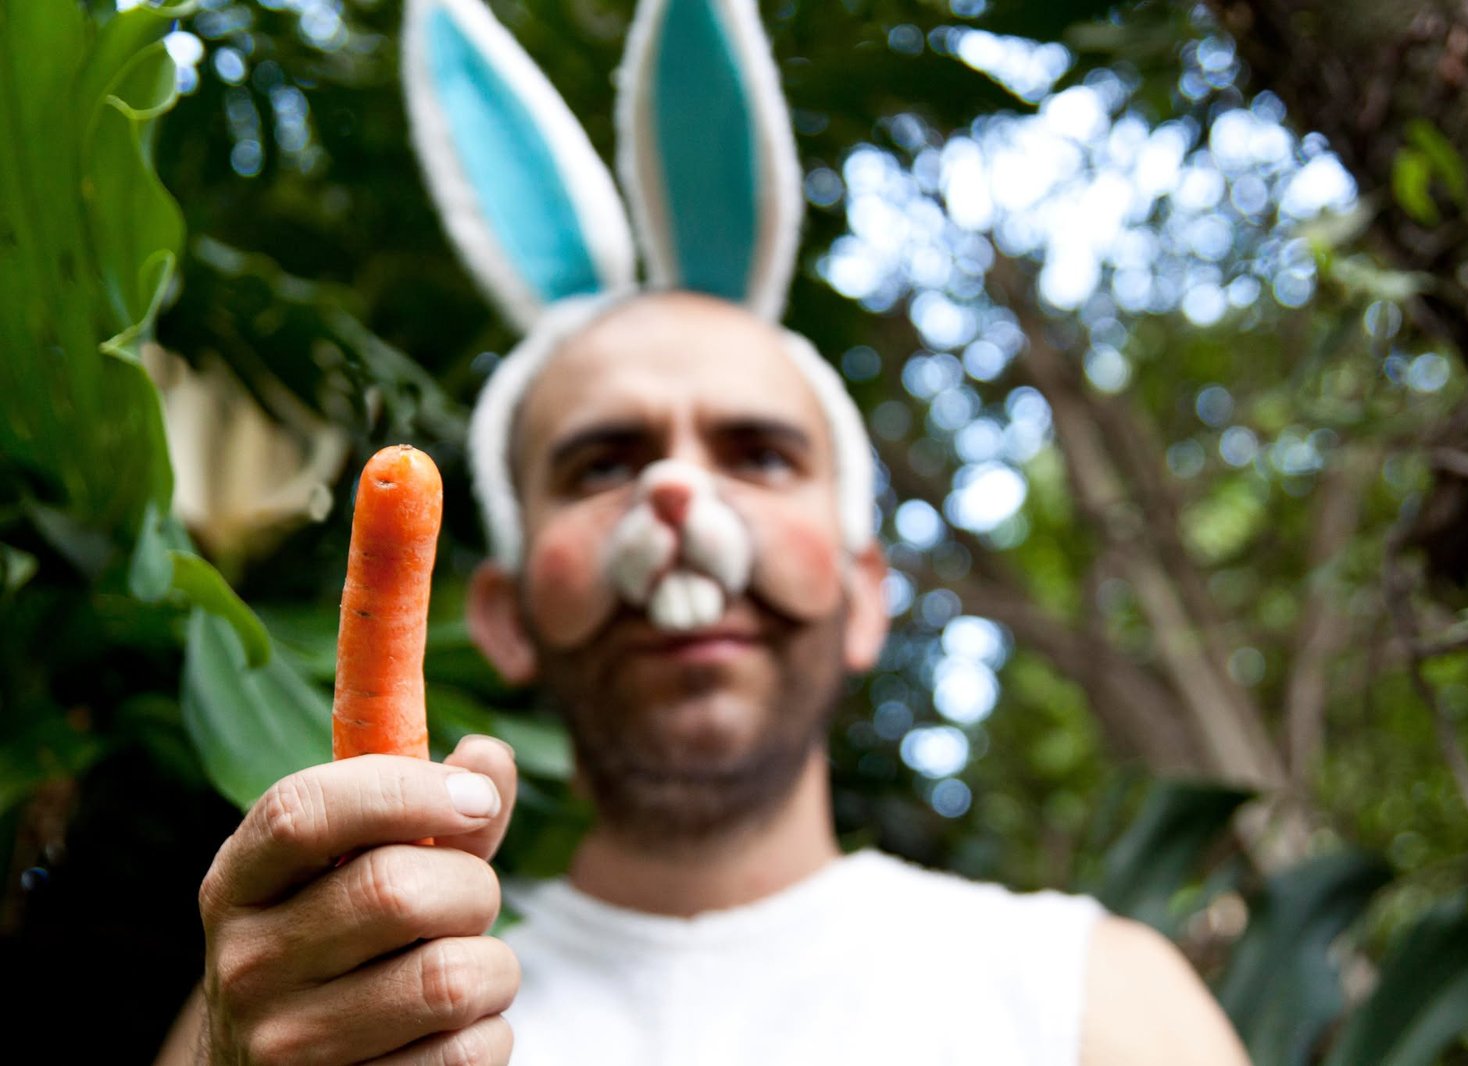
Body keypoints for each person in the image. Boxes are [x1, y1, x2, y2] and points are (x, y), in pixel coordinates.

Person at [158, 0, 1252, 1061]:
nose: (679, 495)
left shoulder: (1094, 998)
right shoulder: (320, 1002)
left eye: (759, 454)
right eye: (604, 463)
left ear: (867, 595)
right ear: (505, 615)